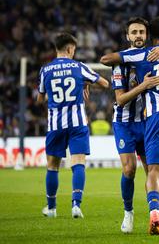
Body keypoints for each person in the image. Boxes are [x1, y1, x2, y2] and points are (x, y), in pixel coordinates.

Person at [101, 16, 159, 235]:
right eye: (134, 33)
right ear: (128, 36)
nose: (138, 36)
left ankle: (156, 218)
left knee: (153, 171)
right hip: (138, 120)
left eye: (142, 32)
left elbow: (105, 58)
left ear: (149, 35)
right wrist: (145, 83)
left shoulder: (145, 55)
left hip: (151, 119)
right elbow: (120, 98)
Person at [37, 32, 109, 218]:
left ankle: (51, 208)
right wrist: (84, 83)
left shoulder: (46, 70)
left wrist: (51, 93)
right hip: (78, 123)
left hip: (56, 124)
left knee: (53, 166)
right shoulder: (79, 67)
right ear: (70, 49)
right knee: (78, 164)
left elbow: (39, 99)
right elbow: (104, 83)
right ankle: (76, 205)